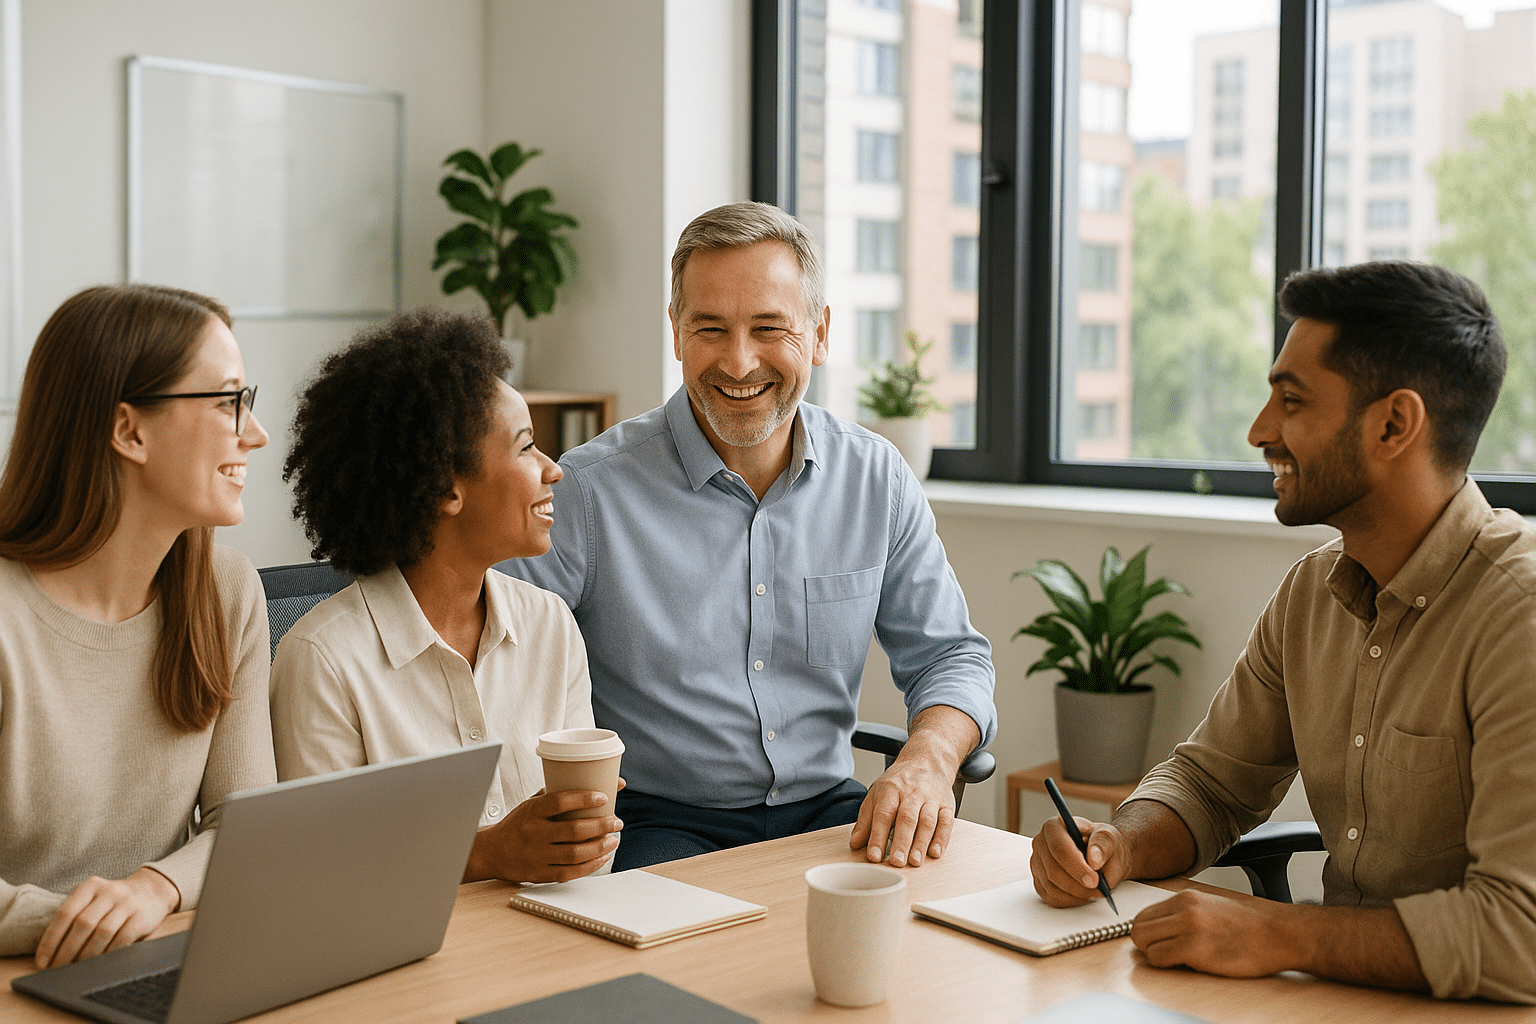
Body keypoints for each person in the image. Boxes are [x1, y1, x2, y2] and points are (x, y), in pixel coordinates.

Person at [1030, 261, 1536, 1003]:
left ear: (1394, 424)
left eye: (1291, 401)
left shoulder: (1517, 618)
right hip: (1337, 999)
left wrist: (1279, 934)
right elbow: (1209, 782)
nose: (1260, 430)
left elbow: (1520, 936)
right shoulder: (1312, 591)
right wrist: (1121, 845)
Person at [501, 202, 995, 871]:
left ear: (819, 334)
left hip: (829, 811)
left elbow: (951, 657)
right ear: (676, 331)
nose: (739, 363)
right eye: (710, 328)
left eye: (769, 328)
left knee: (936, 936)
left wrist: (928, 762)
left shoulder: (876, 477)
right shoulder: (587, 491)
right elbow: (495, 664)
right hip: (656, 820)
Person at [269, 309, 621, 884]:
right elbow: (319, 869)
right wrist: (483, 854)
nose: (553, 470)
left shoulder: (549, 623)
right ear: (444, 488)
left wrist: (583, 831)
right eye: (526, 448)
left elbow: (582, 860)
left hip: (558, 930)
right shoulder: (323, 659)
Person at [0, 284, 275, 968]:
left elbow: (249, 827)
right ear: (129, 431)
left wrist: (154, 889)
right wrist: (89, 921)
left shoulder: (226, 589)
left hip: (154, 956)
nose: (255, 432)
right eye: (226, 402)